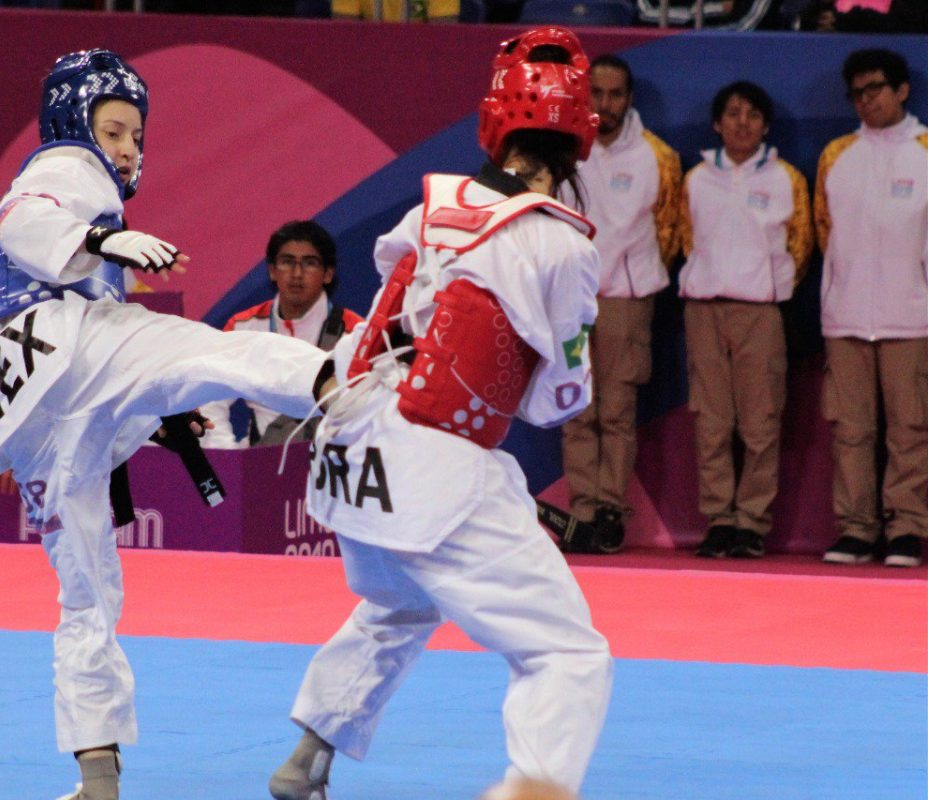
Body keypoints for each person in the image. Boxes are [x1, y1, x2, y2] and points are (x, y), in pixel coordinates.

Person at [0, 50, 329, 800]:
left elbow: (53, 367)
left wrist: (145, 417)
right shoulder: (65, 168)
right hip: (63, 346)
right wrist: (102, 240)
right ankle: (349, 384)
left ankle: (96, 771)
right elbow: (22, 217)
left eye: (135, 137)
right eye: (113, 129)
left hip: (41, 415)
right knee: (218, 354)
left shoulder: (50, 213)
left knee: (86, 593)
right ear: (73, 123)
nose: (124, 149)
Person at [269, 27, 612, 799]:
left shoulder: (430, 207)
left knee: (403, 598)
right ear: (581, 135)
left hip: (351, 449)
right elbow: (558, 400)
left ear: (495, 121)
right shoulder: (563, 246)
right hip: (433, 458)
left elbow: (381, 319)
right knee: (566, 653)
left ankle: (310, 754)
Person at [677, 81, 812, 559]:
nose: (742, 123)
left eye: (752, 115)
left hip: (760, 312)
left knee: (761, 421)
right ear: (717, 124)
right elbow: (682, 237)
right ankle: (719, 519)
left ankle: (752, 521)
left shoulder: (785, 178)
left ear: (766, 125)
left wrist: (771, 287)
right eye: (732, 113)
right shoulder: (696, 178)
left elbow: (801, 244)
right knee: (711, 421)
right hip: (704, 309)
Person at [558, 54, 682, 554]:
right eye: (597, 93)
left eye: (614, 95)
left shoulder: (658, 157)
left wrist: (633, 279)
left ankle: (610, 511)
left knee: (615, 412)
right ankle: (582, 511)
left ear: (628, 99)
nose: (604, 104)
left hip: (625, 303)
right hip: (569, 303)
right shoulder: (563, 152)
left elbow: (671, 231)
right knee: (575, 411)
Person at [816, 48, 927, 568]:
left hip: (914, 316)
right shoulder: (837, 155)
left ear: (902, 90)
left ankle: (907, 527)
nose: (866, 100)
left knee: (911, 429)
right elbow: (823, 231)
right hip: (847, 315)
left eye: (875, 89)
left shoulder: (925, 151)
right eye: (857, 93)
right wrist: (839, 289)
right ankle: (857, 528)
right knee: (851, 430)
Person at [201, 220, 363, 447]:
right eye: (287, 262)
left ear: (327, 273)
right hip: (260, 458)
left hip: (329, 460)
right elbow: (210, 398)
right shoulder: (243, 327)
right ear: (272, 271)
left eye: (309, 263)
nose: (297, 273)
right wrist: (226, 454)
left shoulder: (354, 335)